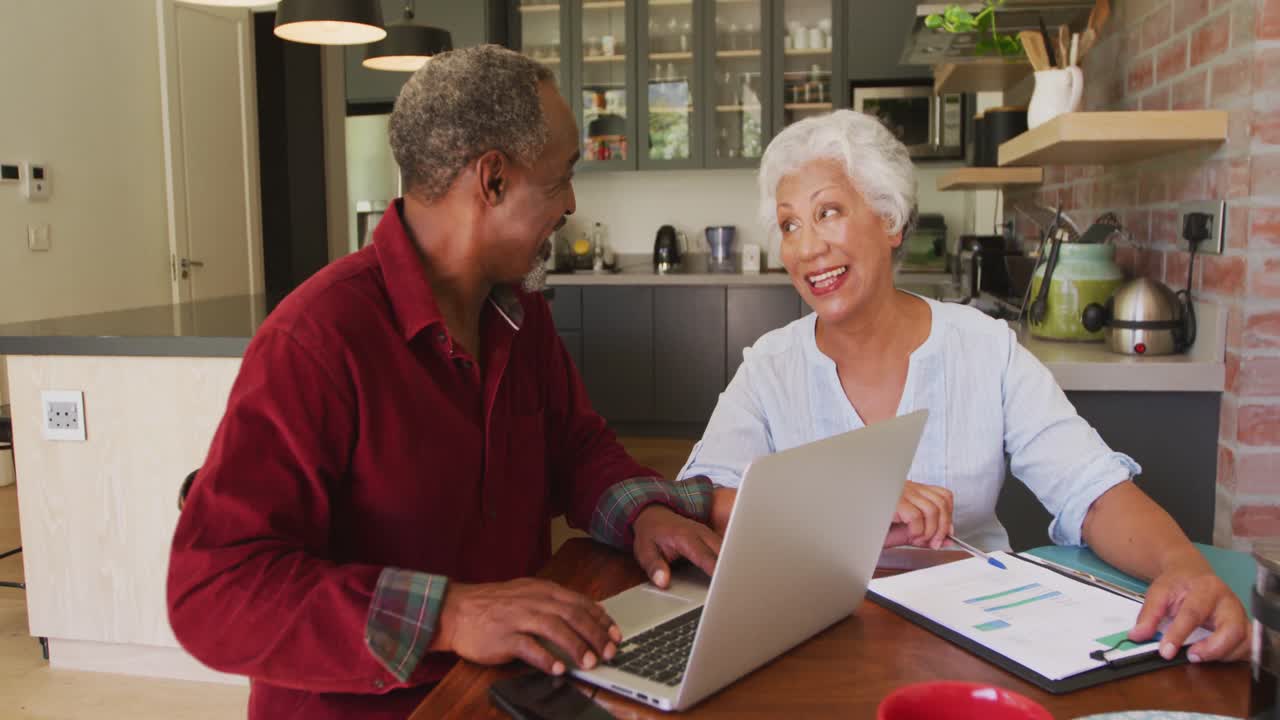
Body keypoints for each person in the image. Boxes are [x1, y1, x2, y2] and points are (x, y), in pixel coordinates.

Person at [167, 45, 720, 720]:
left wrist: (644, 512)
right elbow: (214, 591)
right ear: (492, 181)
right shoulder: (314, 341)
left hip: (511, 691)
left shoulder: (521, 313)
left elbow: (574, 447)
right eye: (561, 178)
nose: (571, 203)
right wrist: (449, 615)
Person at [681, 110, 1246, 664]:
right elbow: (701, 501)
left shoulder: (983, 347)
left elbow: (1092, 492)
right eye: (789, 225)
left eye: (827, 212)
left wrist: (1183, 567)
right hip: (811, 638)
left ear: (890, 220)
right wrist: (844, 502)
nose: (806, 249)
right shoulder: (770, 367)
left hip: (972, 637)